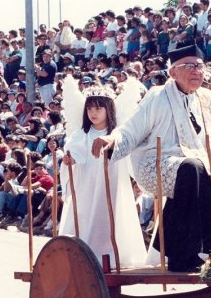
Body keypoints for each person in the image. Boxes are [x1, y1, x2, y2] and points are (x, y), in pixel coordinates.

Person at [91, 44, 211, 272]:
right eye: (189, 66)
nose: (196, 71)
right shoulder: (157, 96)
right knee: (193, 169)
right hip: (158, 162)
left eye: (200, 67)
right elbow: (131, 129)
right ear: (173, 73)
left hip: (204, 160)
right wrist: (112, 140)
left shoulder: (209, 98)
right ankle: (184, 255)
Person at [59, 84, 146, 268]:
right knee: (84, 216)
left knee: (108, 216)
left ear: (109, 109)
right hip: (86, 185)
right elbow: (74, 152)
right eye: (89, 109)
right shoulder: (82, 134)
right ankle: (84, 254)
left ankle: (110, 255)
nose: (93, 113)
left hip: (110, 182)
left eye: (98, 108)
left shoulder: (116, 134)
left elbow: (128, 153)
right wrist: (69, 160)